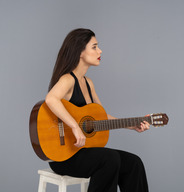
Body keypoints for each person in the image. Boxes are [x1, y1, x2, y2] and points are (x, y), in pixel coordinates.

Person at [45, 28, 150, 192]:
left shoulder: (88, 83)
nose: (99, 51)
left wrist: (131, 125)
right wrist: (74, 126)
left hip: (85, 152)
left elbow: (101, 117)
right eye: (94, 47)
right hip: (65, 155)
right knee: (110, 158)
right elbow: (51, 99)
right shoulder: (67, 79)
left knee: (133, 163)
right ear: (80, 51)